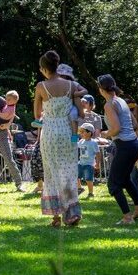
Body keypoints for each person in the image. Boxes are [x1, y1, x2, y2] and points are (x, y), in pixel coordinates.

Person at [33, 51, 82, 227]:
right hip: (68, 131)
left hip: (51, 132)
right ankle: (72, 212)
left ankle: (56, 217)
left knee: (51, 173)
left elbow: (37, 114)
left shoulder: (41, 86)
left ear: (45, 69)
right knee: (68, 171)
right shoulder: (71, 84)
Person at [98, 74, 138, 225]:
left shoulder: (109, 104)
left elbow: (116, 128)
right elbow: (133, 123)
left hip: (125, 146)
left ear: (101, 89)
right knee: (125, 179)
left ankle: (127, 217)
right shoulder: (121, 101)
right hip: (134, 145)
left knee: (113, 184)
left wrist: (104, 133)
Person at [55, 64, 88, 143]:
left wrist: (74, 94)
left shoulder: (73, 84)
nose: (62, 77)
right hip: (60, 106)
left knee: (73, 114)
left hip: (72, 105)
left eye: (63, 76)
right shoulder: (56, 85)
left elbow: (85, 91)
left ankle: (74, 134)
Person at [77, 123, 100, 198]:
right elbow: (74, 144)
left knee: (88, 179)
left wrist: (97, 163)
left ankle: (90, 193)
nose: (81, 133)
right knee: (75, 176)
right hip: (81, 163)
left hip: (89, 164)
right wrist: (73, 136)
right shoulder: (81, 141)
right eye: (80, 132)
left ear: (89, 133)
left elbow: (98, 153)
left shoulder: (93, 143)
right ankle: (80, 188)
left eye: (82, 132)